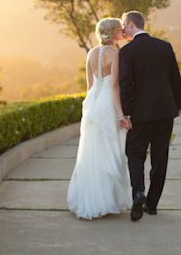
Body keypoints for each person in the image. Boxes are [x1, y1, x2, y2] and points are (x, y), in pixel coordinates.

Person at [119, 11, 181, 221]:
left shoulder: (128, 51)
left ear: (129, 24)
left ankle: (139, 193)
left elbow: (125, 84)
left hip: (141, 112)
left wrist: (126, 112)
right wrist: (178, 104)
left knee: (135, 152)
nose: (122, 28)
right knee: (160, 156)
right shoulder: (165, 46)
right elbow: (175, 77)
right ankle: (152, 204)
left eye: (123, 24)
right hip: (166, 111)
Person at [67, 18, 133, 220]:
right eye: (119, 29)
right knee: (109, 151)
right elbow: (114, 87)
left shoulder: (91, 53)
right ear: (113, 33)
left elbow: (89, 86)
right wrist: (121, 115)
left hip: (91, 104)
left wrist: (91, 104)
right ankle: (106, 199)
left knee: (91, 152)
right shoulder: (116, 54)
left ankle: (92, 198)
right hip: (107, 104)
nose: (123, 30)